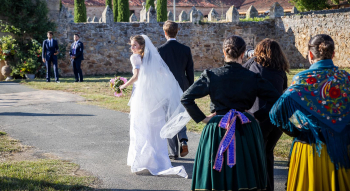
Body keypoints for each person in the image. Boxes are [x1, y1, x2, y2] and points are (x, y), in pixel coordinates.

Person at [181, 35, 280, 191]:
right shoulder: (252, 77)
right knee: (244, 168)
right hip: (245, 128)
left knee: (216, 169)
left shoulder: (212, 75)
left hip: (217, 128)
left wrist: (204, 119)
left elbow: (186, 98)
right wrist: (256, 116)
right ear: (242, 54)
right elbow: (276, 98)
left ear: (223, 52)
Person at [270, 34, 350, 191]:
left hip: (311, 150)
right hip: (343, 151)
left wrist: (295, 131)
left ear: (310, 55)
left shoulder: (303, 79)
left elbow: (276, 113)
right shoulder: (346, 78)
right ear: (333, 54)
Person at [119, 35, 190, 177]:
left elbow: (136, 77)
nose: (132, 48)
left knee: (140, 124)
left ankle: (142, 157)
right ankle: (158, 156)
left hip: (142, 96)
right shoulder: (152, 58)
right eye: (131, 45)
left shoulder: (135, 58)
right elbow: (164, 74)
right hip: (153, 96)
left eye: (134, 45)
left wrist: (123, 86)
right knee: (154, 125)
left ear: (141, 46)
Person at [243, 38, 289, 191]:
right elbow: (283, 90)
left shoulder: (255, 66)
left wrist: (252, 56)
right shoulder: (281, 70)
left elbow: (243, 68)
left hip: (261, 117)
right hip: (277, 120)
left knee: (257, 157)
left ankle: (259, 187)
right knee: (268, 154)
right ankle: (268, 187)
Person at [158, 21, 193, 159]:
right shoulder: (186, 49)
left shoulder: (160, 50)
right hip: (182, 85)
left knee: (169, 118)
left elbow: (158, 72)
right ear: (177, 31)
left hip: (166, 86)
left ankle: (173, 152)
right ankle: (183, 139)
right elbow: (189, 71)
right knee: (180, 113)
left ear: (164, 32)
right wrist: (191, 89)